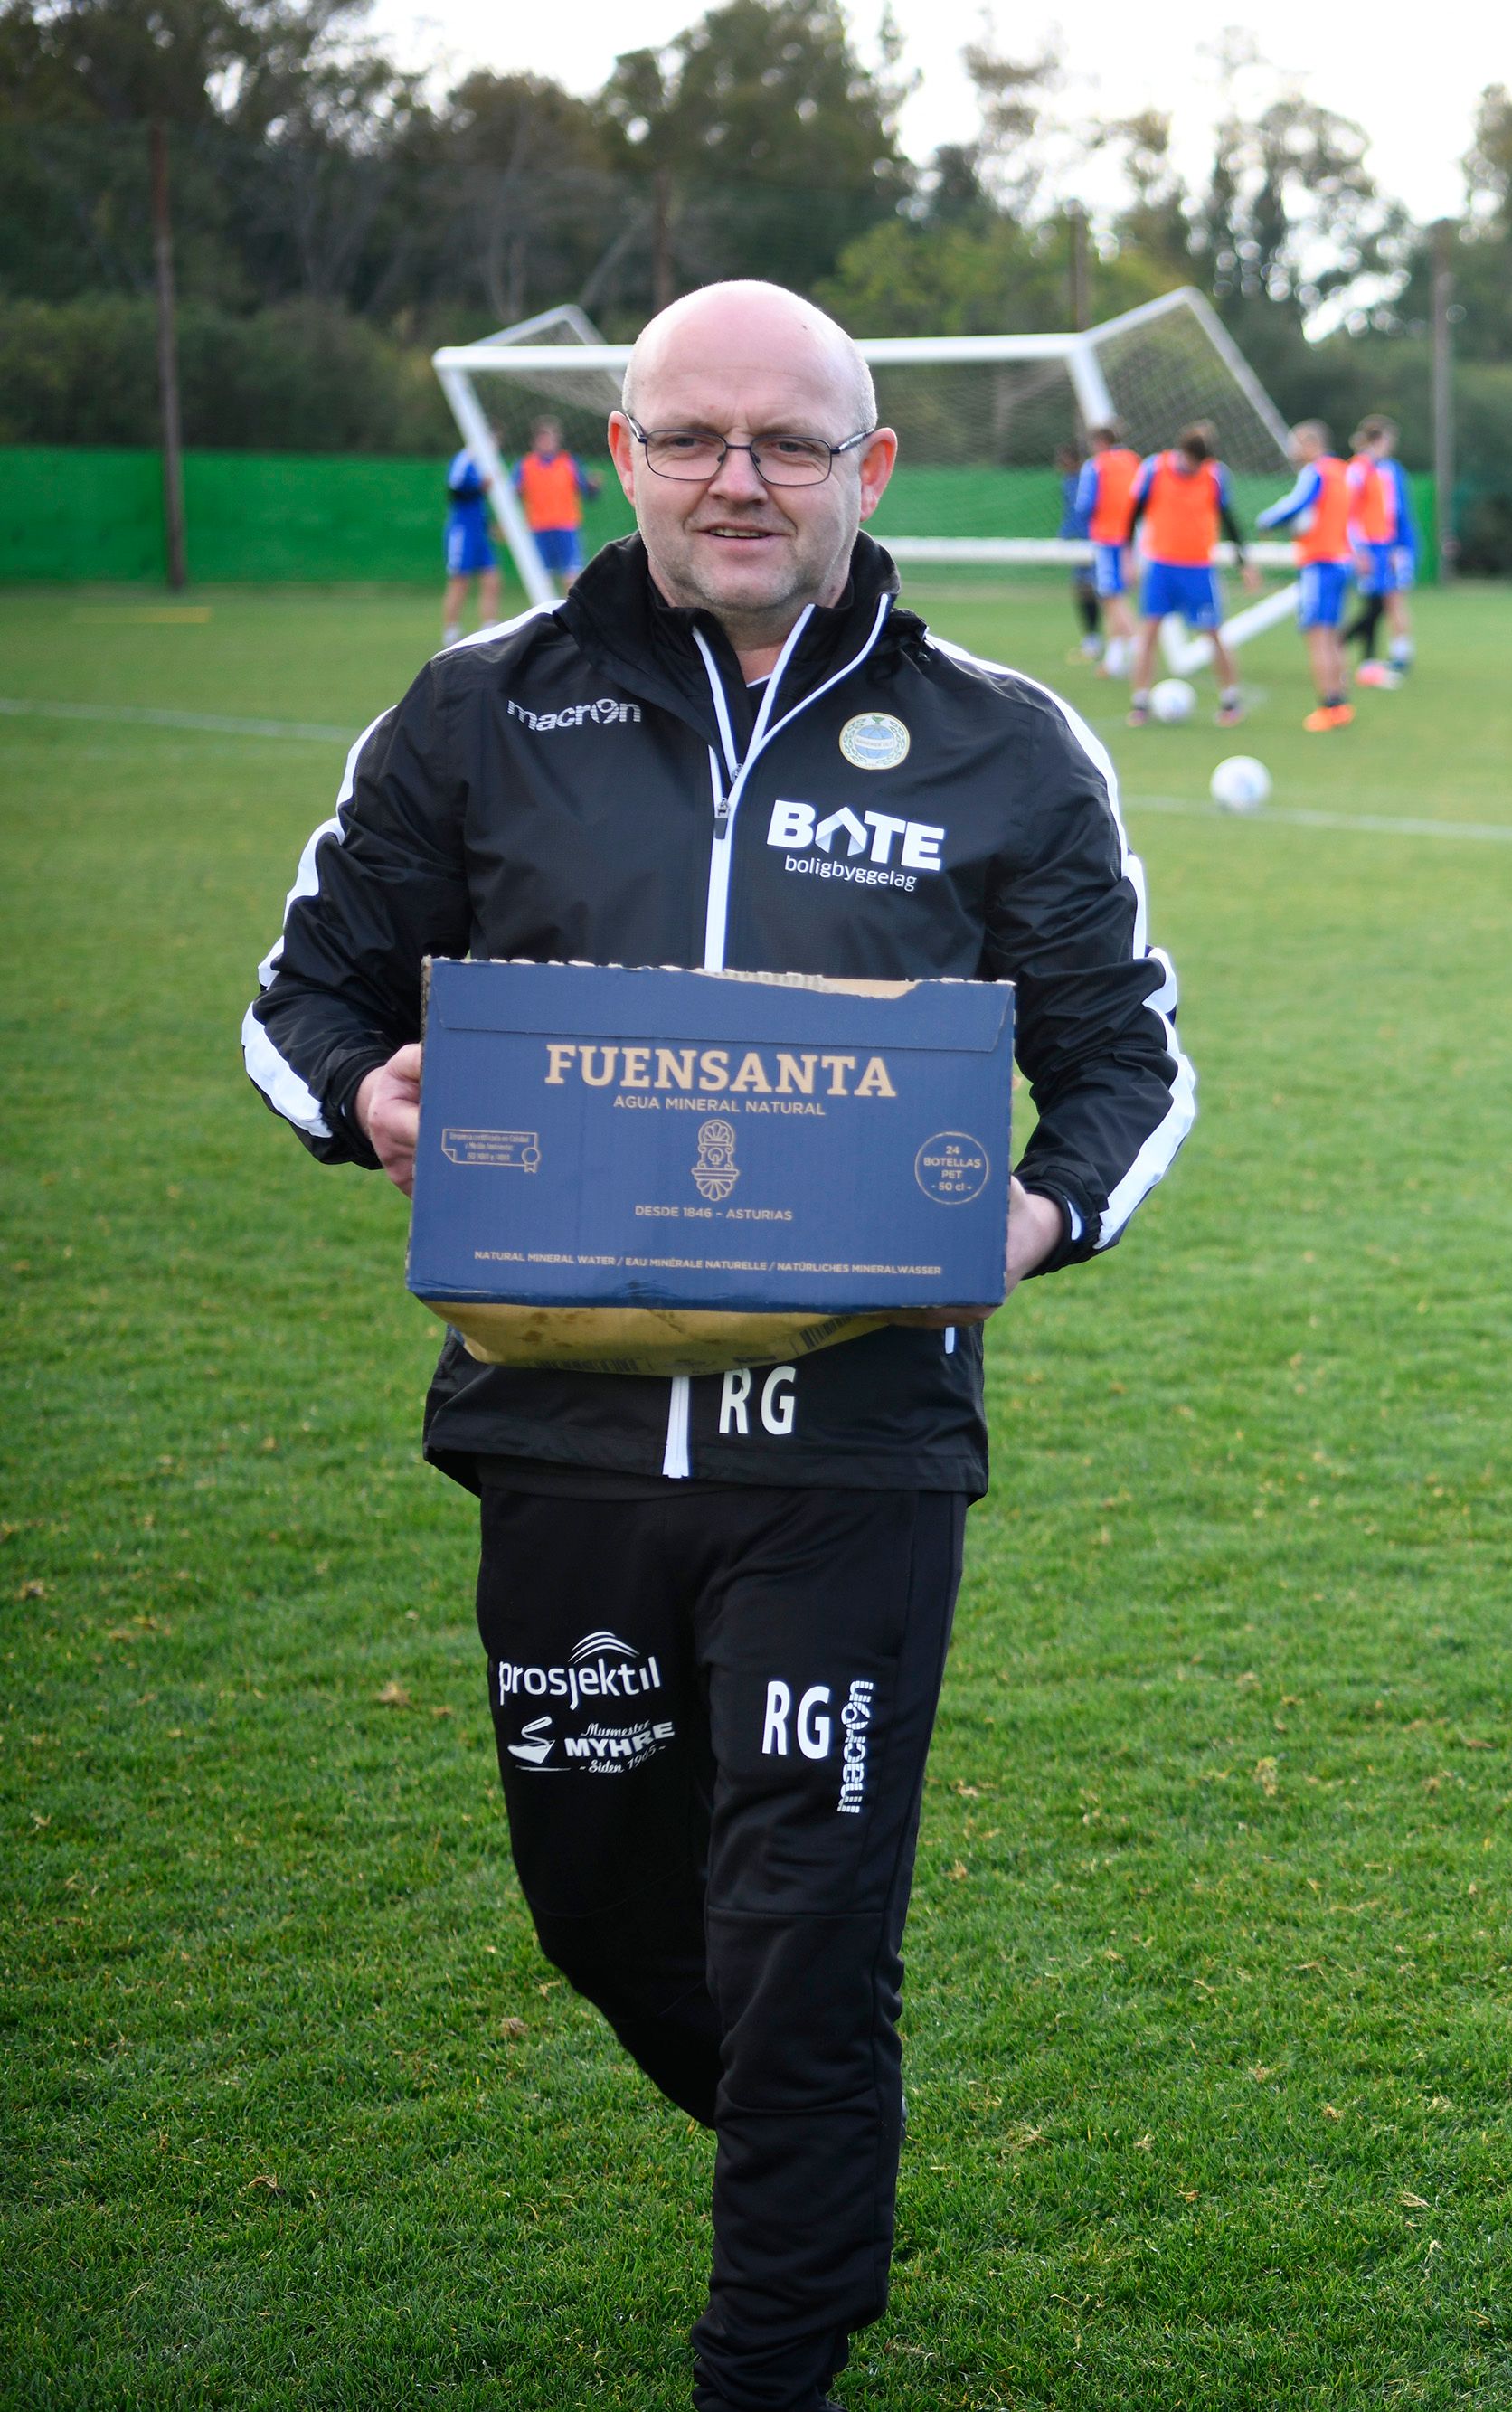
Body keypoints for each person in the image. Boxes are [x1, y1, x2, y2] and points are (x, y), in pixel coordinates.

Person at [242, 279, 1195, 2404]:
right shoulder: (477, 709)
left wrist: (1037, 1212)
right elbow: (301, 998)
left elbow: (1128, 1065)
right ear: (623, 455)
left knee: (805, 1927)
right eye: (691, 437)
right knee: (602, 1914)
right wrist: (363, 1094)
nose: (737, 478)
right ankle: (807, 2141)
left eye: (787, 442)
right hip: (559, 1436)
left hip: (849, 1452)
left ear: (870, 467)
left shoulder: (1003, 742)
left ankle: (775, 2341)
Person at [1126, 421, 1252, 728]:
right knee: (1149, 632)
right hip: (1161, 566)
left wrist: (1244, 563)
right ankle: (1140, 702)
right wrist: (1127, 556)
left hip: (1198, 568)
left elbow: (1229, 520)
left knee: (1213, 632)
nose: (1195, 468)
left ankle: (1230, 699)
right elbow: (1133, 514)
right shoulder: (1155, 469)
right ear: (1181, 451)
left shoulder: (1215, 476)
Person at [1256, 420, 1362, 732]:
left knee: (1318, 637)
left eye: (1297, 444)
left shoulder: (1316, 472)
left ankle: (1328, 707)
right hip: (1341, 560)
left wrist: (1267, 520)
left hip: (1320, 562)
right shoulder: (1341, 471)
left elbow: (1296, 504)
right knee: (1333, 636)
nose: (1293, 451)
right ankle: (1341, 704)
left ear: (1312, 444)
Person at [1346, 414, 1420, 688]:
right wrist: (1359, 549)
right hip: (1372, 548)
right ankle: (1360, 655)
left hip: (1388, 546)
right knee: (1376, 604)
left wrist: (1399, 546)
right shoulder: (1360, 469)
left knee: (1388, 600)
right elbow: (1351, 513)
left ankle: (1393, 656)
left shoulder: (1388, 470)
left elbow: (1396, 513)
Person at [1077, 420, 1143, 681]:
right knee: (1115, 598)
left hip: (1107, 537)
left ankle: (1139, 649)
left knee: (1111, 598)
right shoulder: (1134, 461)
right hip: (1132, 538)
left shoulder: (1096, 465)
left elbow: (1085, 504)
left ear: (1100, 442)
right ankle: (1114, 661)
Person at [518, 419, 598, 595]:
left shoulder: (569, 462)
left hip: (566, 526)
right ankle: (545, 608)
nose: (547, 443)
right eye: (543, 438)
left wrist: (593, 486)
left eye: (550, 438)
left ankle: (571, 609)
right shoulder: (525, 465)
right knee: (541, 576)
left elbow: (588, 492)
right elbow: (512, 493)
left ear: (557, 440)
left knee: (571, 575)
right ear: (534, 441)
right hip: (538, 528)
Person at [442, 445, 502, 646]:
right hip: (463, 530)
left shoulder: (487, 462)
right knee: (460, 581)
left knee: (492, 578)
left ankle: (489, 627)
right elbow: (454, 488)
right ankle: (451, 630)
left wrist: (489, 526)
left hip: (480, 532)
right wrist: (480, 486)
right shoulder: (465, 458)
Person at [1059, 438, 1106, 666]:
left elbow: (1085, 511)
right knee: (1083, 590)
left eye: (1064, 459)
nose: (1061, 464)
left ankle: (1116, 644)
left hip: (1097, 542)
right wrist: (1065, 534)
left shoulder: (1090, 478)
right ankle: (1092, 639)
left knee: (1104, 593)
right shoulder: (1067, 482)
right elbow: (1072, 514)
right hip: (1080, 545)